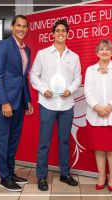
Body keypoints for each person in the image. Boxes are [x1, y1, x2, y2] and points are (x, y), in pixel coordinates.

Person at [30, 19, 82, 191]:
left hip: (66, 104)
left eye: (64, 31)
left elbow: (78, 78)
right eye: (58, 30)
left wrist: (71, 89)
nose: (61, 33)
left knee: (65, 141)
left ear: (68, 34)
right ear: (52, 34)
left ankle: (65, 173)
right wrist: (43, 89)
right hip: (47, 103)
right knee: (44, 142)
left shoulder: (74, 57)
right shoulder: (43, 54)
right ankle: (42, 177)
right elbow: (33, 75)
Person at [0, 15, 34, 192]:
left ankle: (10, 172)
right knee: (4, 140)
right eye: (18, 26)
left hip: (20, 101)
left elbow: (24, 77)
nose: (21, 29)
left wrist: (28, 99)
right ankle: (4, 178)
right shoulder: (3, 45)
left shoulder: (27, 49)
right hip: (6, 102)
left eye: (24, 26)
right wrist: (4, 102)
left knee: (13, 140)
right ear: (12, 26)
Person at [84, 39, 112, 192]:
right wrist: (97, 108)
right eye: (101, 49)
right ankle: (102, 176)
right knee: (99, 148)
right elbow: (87, 92)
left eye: (107, 49)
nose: (104, 51)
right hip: (95, 115)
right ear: (97, 53)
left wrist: (109, 107)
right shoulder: (90, 70)